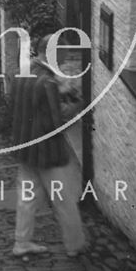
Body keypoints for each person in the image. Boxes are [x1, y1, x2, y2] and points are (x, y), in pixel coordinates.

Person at [11, 34, 87, 258]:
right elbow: (57, 122)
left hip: (26, 147)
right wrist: (77, 105)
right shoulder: (48, 82)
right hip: (48, 151)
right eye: (61, 55)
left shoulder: (21, 73)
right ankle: (75, 244)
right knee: (64, 199)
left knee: (27, 197)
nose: (62, 60)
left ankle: (21, 242)